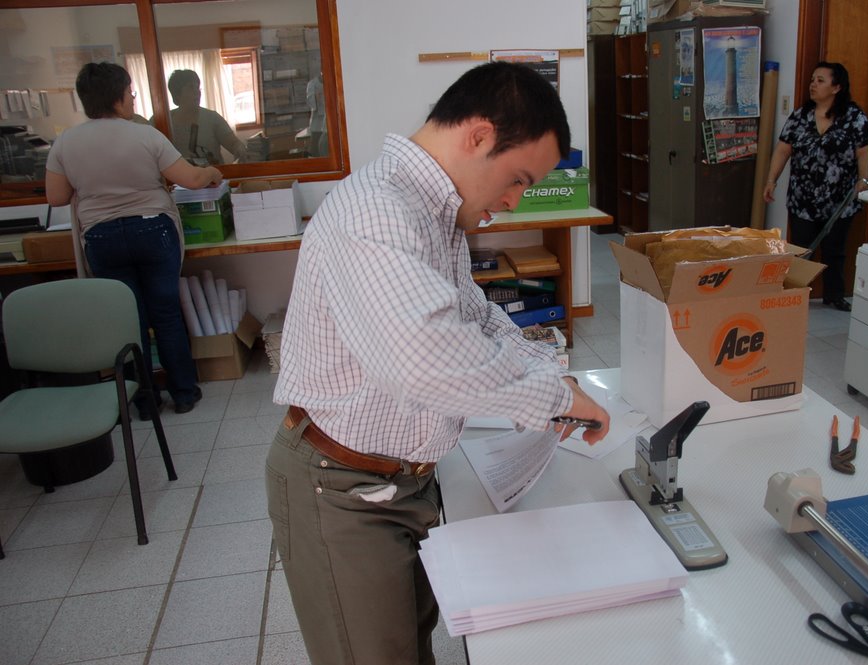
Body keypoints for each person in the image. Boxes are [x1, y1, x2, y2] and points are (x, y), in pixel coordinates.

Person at [266, 61, 611, 665]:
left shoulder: (436, 211)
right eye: (518, 179)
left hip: (406, 479)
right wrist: (551, 399)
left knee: (411, 645)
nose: (512, 201)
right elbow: (426, 360)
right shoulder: (376, 212)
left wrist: (547, 376)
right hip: (344, 487)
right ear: (478, 136)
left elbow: (473, 319)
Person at [45, 62, 223, 415]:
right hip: (152, 231)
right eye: (130, 92)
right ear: (117, 98)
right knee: (167, 313)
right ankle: (184, 394)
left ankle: (144, 400)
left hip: (102, 236)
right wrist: (213, 172)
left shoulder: (66, 141)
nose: (132, 99)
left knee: (128, 320)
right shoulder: (144, 135)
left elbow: (55, 197)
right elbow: (190, 179)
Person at [763, 61, 868, 312]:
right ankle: (796, 293)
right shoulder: (801, 116)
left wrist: (863, 181)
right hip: (803, 198)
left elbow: (864, 152)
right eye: (813, 79)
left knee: (835, 250)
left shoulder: (855, 118)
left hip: (839, 199)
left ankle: (834, 294)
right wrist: (771, 180)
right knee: (801, 250)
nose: (813, 84)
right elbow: (783, 150)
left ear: (837, 87)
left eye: (820, 80)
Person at [157, 69, 248, 165]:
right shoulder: (162, 121)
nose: (197, 92)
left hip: (213, 178)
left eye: (198, 87)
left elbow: (234, 144)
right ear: (177, 94)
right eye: (191, 87)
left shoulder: (212, 118)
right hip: (178, 179)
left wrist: (239, 149)